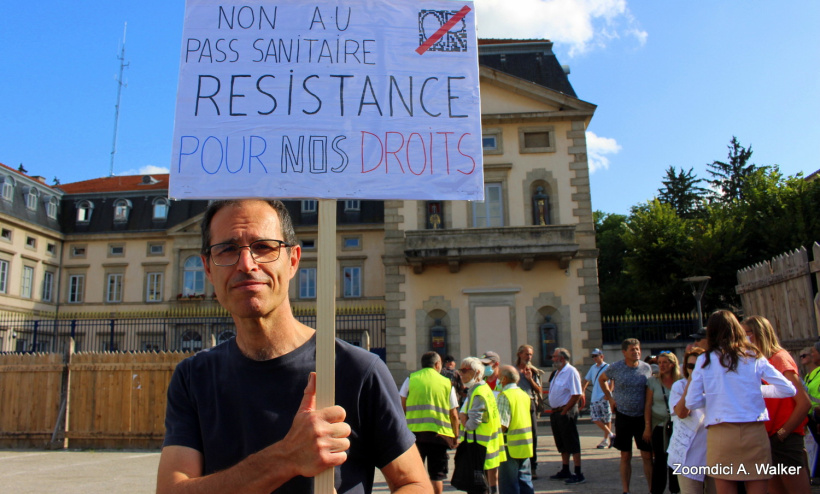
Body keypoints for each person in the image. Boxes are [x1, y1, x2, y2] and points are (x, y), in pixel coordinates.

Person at [156, 199, 429, 493]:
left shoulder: (357, 370)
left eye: (263, 247)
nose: (246, 264)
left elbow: (413, 483)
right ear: (208, 269)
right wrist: (285, 458)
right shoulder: (193, 377)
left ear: (294, 260)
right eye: (228, 249)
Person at [685, 310, 796, 494]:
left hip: (721, 433)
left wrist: (718, 396)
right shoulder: (754, 355)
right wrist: (752, 392)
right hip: (754, 432)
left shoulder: (705, 359)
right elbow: (788, 389)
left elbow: (691, 402)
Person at [743, 315, 811, 494]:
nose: (743, 339)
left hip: (784, 438)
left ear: (758, 333)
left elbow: (803, 402)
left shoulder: (779, 358)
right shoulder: (756, 362)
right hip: (765, 438)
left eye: (746, 334)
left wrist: (782, 434)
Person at [400, 351, 460, 494]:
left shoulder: (411, 379)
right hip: (439, 436)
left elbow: (401, 402)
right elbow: (454, 414)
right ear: (437, 364)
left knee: (414, 475)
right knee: (437, 476)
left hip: (414, 436)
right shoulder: (446, 383)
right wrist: (456, 436)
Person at [599, 338, 653, 494]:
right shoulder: (615, 368)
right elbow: (602, 380)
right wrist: (610, 398)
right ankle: (626, 490)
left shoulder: (646, 368)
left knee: (647, 455)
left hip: (642, 417)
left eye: (638, 349)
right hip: (623, 415)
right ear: (624, 352)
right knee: (625, 455)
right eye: (632, 350)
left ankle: (651, 489)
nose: (636, 352)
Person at [459, 357, 506, 494]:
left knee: (478, 487)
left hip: (478, 445)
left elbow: (473, 423)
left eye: (465, 370)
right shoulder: (484, 389)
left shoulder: (479, 392)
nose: (461, 374)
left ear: (477, 372)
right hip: (486, 444)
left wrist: (463, 420)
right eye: (460, 370)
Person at [669, 347, 709, 494]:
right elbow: (681, 412)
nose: (694, 369)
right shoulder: (679, 386)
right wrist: (692, 382)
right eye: (691, 366)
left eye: (698, 366)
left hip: (713, 451)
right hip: (688, 455)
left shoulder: (715, 385)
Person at [643, 351, 681, 494]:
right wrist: (647, 427)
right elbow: (648, 405)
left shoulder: (680, 380)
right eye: (659, 363)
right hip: (659, 425)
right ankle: (657, 490)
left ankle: (675, 489)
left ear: (672, 364)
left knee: (675, 459)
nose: (662, 365)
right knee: (659, 459)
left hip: (676, 425)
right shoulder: (653, 381)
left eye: (665, 362)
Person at [547, 348, 585, 485]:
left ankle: (578, 472)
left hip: (565, 411)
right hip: (556, 412)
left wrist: (565, 410)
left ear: (561, 358)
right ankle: (565, 469)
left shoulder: (571, 372)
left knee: (572, 442)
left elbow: (576, 394)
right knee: (562, 442)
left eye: (554, 357)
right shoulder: (557, 372)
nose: (552, 359)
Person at [496, 365, 535, 494]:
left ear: (504, 379)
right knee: (525, 482)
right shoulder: (524, 395)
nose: (498, 379)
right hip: (525, 444)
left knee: (508, 484)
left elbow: (502, 425)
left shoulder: (505, 396)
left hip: (509, 445)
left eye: (499, 376)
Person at [514, 344, 543, 478]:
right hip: (515, 405)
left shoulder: (533, 371)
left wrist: (530, 379)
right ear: (520, 354)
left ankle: (533, 466)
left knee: (533, 436)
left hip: (529, 403)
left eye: (530, 354)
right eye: (526, 354)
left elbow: (539, 390)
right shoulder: (513, 371)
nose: (529, 357)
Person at [583, 348, 614, 449]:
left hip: (603, 396)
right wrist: (582, 391)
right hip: (595, 397)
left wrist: (608, 394)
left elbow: (613, 381)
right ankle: (611, 435)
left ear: (602, 356)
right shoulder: (593, 368)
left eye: (596, 356)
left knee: (606, 419)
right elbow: (586, 380)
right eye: (593, 356)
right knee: (595, 418)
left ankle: (606, 440)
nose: (594, 358)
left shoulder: (608, 367)